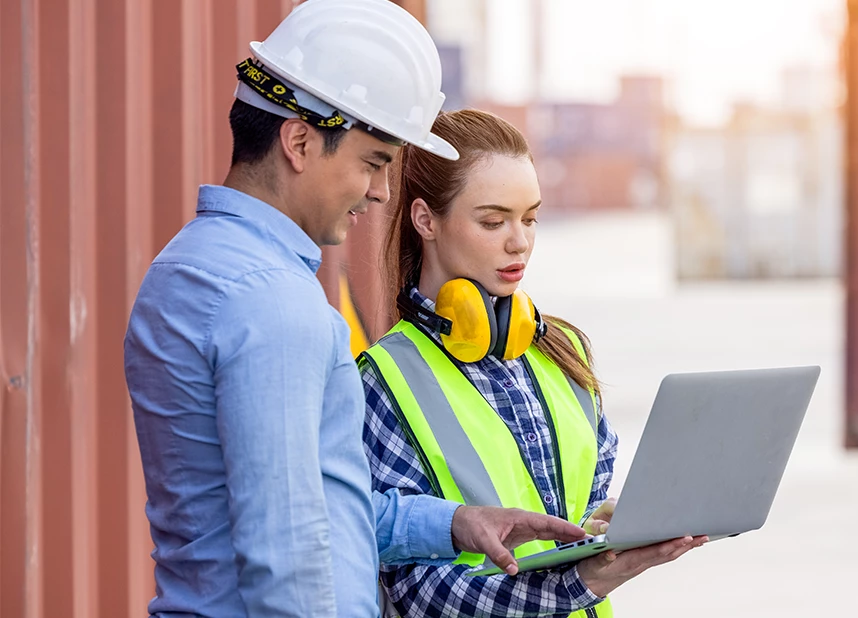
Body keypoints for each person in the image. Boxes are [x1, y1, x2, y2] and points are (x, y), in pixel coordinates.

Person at [123, 3, 585, 617]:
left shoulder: (188, 266)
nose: (382, 191)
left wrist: (457, 524)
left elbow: (314, 504)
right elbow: (285, 552)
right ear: (299, 141)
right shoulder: (271, 301)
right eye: (372, 163)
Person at [360, 109, 707, 618]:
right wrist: (579, 584)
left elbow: (581, 504)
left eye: (530, 218)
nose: (519, 241)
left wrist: (603, 529)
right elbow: (419, 591)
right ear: (426, 220)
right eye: (492, 221)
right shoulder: (384, 380)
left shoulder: (563, 352)